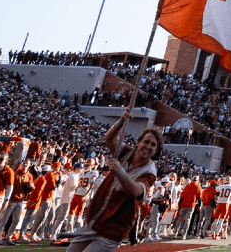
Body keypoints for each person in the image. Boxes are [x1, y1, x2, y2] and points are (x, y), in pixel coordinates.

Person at [67, 101, 162, 252]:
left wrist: (120, 172)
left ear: (156, 150)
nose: (148, 147)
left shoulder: (150, 171)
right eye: (146, 142)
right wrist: (122, 121)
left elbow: (137, 191)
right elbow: (110, 138)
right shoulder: (127, 152)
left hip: (114, 227)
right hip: (96, 218)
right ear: (138, 142)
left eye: (153, 145)